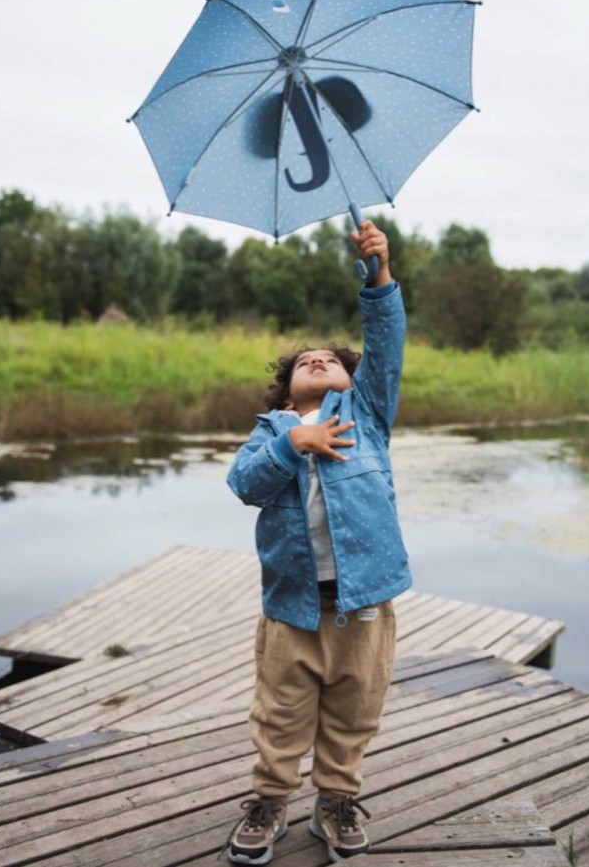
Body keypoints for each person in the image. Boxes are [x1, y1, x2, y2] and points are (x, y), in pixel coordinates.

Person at [225, 220, 411, 864]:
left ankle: (334, 799)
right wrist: (291, 442)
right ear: (286, 390)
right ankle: (271, 799)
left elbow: (384, 343)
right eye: (305, 362)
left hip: (363, 602)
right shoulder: (270, 432)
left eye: (330, 360)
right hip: (293, 607)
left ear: (350, 382)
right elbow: (244, 484)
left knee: (355, 710)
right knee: (280, 713)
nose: (317, 360)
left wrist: (378, 273)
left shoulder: (366, 414)